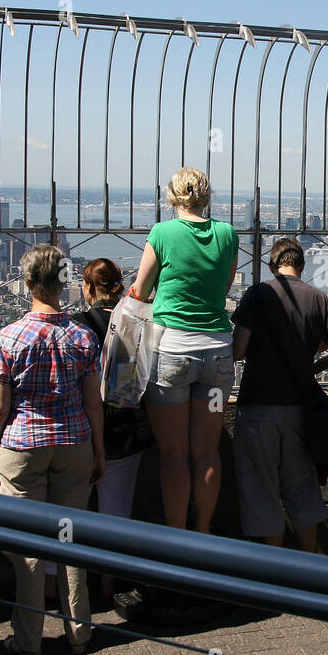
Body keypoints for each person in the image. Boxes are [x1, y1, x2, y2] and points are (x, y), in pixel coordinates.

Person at [0, 244, 104, 655]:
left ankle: (29, 640)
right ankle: (79, 632)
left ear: (30, 284)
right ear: (63, 283)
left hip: (23, 447)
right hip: (75, 443)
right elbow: (94, 403)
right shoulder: (82, 335)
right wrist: (99, 451)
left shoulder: (10, 336)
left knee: (29, 549)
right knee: (73, 541)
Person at [232, 237, 328, 551]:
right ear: (301, 266)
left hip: (259, 405)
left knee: (263, 491)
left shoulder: (258, 294)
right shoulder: (318, 299)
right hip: (302, 409)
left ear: (272, 266)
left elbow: (237, 351)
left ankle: (272, 575)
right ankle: (309, 570)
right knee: (302, 490)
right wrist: (316, 367)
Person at [129, 168, 238, 534]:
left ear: (171, 197)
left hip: (172, 352)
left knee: (173, 454)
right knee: (207, 451)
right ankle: (204, 530)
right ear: (207, 197)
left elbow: (141, 291)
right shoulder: (227, 234)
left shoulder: (162, 233)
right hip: (218, 354)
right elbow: (222, 288)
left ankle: (176, 534)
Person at [74, 259, 153, 603]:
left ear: (89, 288)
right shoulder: (136, 323)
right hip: (125, 428)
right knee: (116, 512)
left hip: (82, 432)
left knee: (70, 513)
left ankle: (71, 592)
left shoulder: (77, 327)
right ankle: (110, 586)